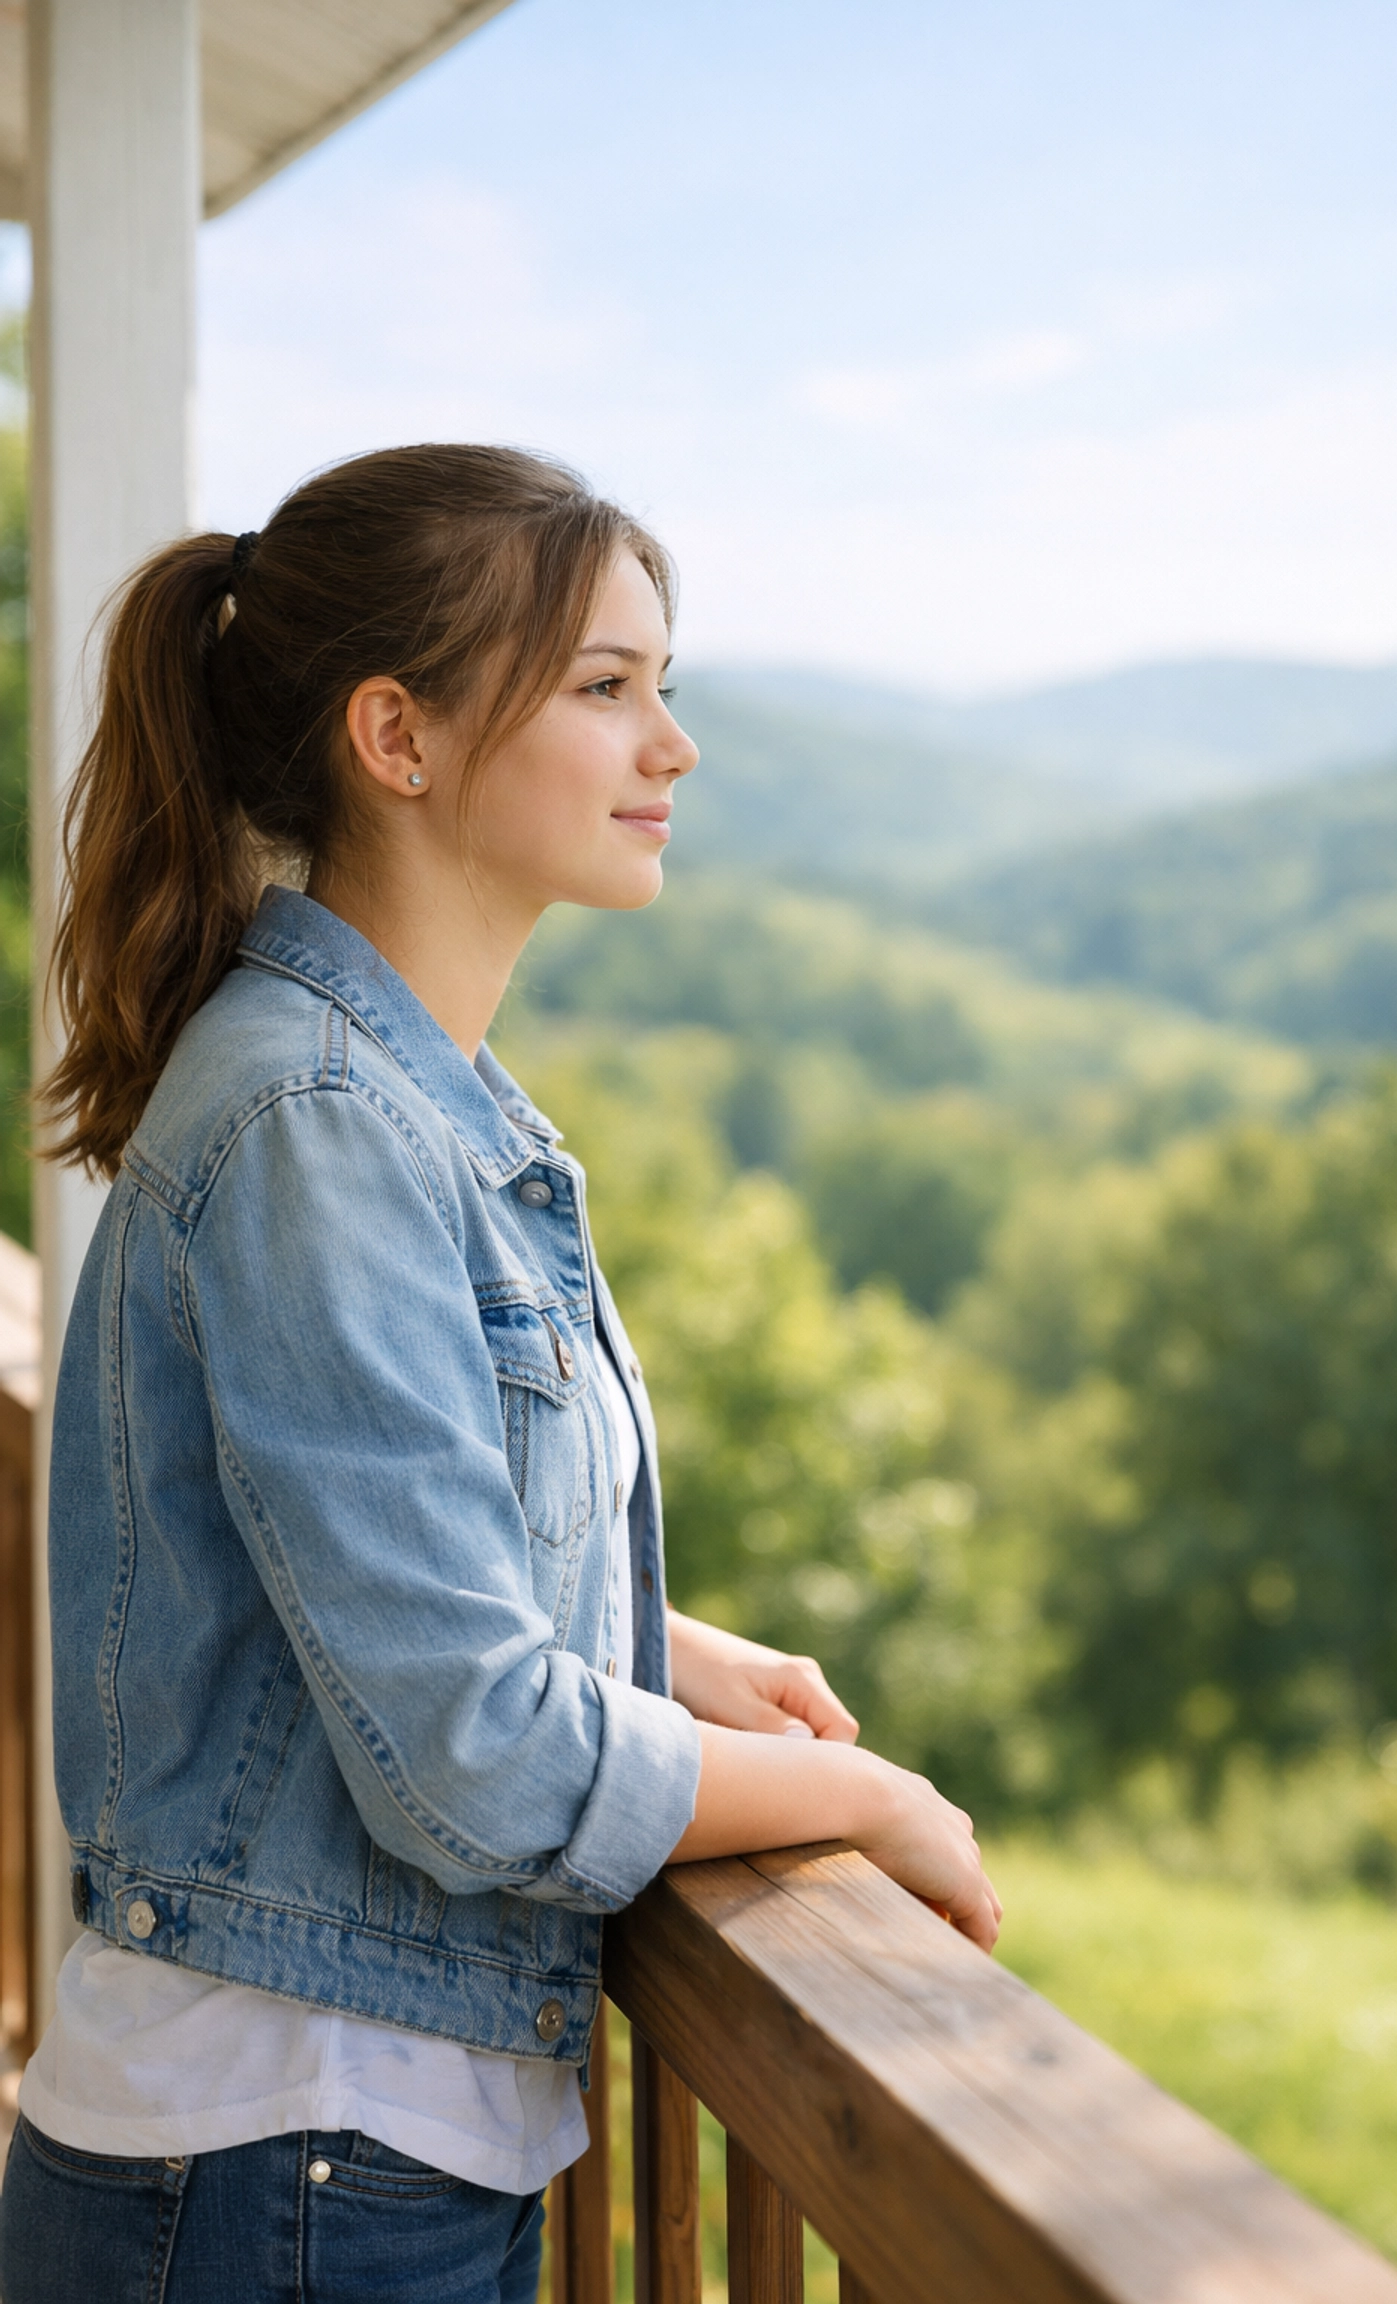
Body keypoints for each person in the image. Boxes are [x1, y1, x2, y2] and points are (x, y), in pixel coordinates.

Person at [0, 444, 1000, 2304]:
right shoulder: (317, 1118)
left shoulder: (384, 1101)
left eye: (665, 687)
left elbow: (358, 1561)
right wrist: (868, 1802)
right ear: (401, 737)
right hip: (288, 2174)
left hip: (313, 2165)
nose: (671, 746)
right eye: (605, 690)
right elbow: (466, 1751)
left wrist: (661, 1649)